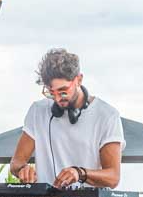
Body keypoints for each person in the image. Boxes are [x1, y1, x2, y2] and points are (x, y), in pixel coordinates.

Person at [10, 48, 124, 188]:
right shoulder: (37, 111)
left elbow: (113, 177)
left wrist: (80, 173)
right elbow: (16, 163)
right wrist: (22, 170)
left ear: (79, 80)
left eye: (63, 92)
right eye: (51, 93)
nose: (57, 99)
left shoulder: (107, 116)